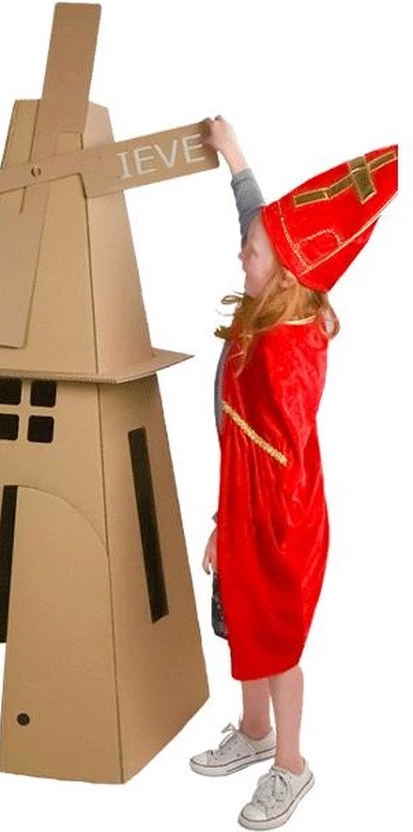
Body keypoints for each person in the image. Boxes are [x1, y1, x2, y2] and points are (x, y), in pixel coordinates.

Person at [188, 116, 398, 830]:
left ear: (281, 272)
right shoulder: (271, 291)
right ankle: (254, 732)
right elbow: (258, 223)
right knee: (241, 623)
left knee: (274, 638)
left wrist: (230, 529)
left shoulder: (286, 350)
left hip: (275, 519)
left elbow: (270, 463)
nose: (240, 255)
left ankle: (291, 764)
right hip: (242, 502)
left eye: (250, 253)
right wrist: (234, 155)